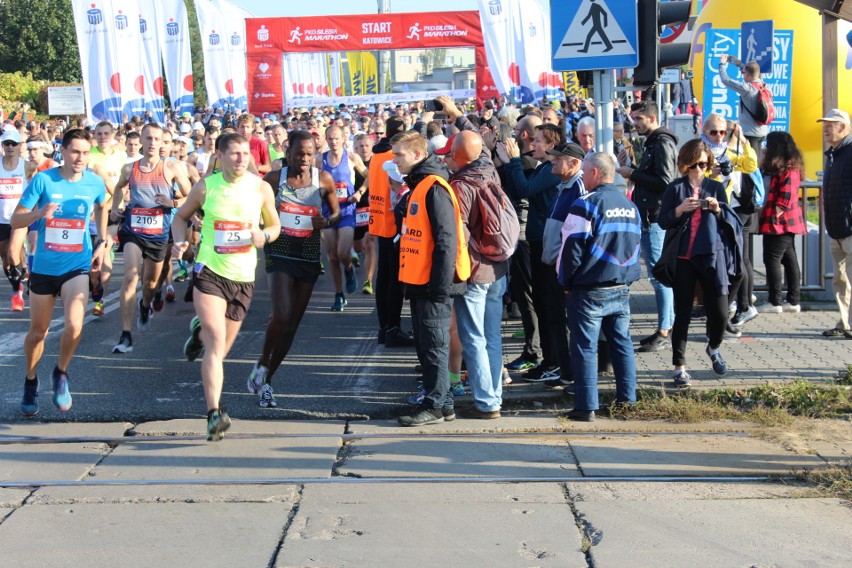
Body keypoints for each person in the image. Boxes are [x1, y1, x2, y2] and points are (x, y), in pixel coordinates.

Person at [172, 132, 280, 440]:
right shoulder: (207, 187)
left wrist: (266, 236)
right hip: (210, 272)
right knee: (216, 345)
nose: (241, 158)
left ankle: (198, 330)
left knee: (220, 350)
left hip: (243, 277)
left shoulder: (260, 188)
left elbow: (274, 224)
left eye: (245, 153)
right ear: (219, 155)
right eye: (234, 153)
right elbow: (181, 218)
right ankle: (213, 414)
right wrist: (180, 242)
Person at [10, 128, 109, 416]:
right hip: (43, 267)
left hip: (76, 266)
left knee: (75, 325)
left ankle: (61, 373)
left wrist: (101, 241)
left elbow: (104, 206)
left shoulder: (94, 183)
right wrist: (39, 215)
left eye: (85, 152)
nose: (80, 158)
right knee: (38, 332)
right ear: (62, 151)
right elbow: (17, 219)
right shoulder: (43, 180)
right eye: (75, 151)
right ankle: (30, 381)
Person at [245, 130, 339, 408]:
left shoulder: (323, 179)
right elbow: (256, 209)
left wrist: (328, 221)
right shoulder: (274, 179)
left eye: (310, 154)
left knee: (292, 325)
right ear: (288, 152)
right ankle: (263, 360)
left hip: (308, 254)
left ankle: (267, 380)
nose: (305, 159)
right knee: (282, 314)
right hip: (280, 251)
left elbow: (335, 212)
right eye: (300, 153)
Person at [394, 130, 470, 427]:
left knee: (433, 346)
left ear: (416, 155)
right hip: (422, 281)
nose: (395, 160)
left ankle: (435, 405)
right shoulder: (421, 184)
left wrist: (438, 287)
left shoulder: (433, 187)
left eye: (399, 155)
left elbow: (446, 240)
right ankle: (444, 402)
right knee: (429, 345)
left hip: (432, 284)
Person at [559, 153, 639, 421]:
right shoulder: (630, 206)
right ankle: (628, 401)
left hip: (589, 289)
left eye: (585, 171)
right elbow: (634, 246)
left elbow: (571, 250)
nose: (582, 175)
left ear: (594, 172)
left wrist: (566, 282)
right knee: (622, 344)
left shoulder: (585, 204)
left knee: (584, 347)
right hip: (621, 286)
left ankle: (586, 407)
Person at [658, 139, 743, 387]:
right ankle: (679, 366)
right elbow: (662, 221)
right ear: (685, 164)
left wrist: (717, 210)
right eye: (695, 164)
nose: (699, 169)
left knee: (719, 312)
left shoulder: (715, 188)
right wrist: (679, 210)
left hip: (711, 256)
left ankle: (713, 347)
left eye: (704, 164)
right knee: (682, 313)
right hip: (683, 257)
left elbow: (730, 220)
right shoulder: (675, 188)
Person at [441, 115, 509, 419]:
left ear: (456, 158)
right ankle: (494, 395)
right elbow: (478, 146)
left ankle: (486, 402)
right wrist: (458, 115)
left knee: (474, 338)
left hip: (477, 270)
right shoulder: (489, 169)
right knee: (492, 336)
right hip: (500, 267)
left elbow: (459, 234)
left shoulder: (461, 186)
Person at [109, 124, 191, 354]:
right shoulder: (129, 168)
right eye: (149, 138)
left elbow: (191, 196)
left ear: (164, 142)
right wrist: (115, 209)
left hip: (158, 235)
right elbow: (118, 188)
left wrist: (173, 203)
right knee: (129, 276)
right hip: (133, 231)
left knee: (150, 284)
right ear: (141, 141)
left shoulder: (172, 167)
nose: (153, 143)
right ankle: (125, 335)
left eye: (157, 139)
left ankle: (145, 305)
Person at [616, 101, 678, 353]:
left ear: (652, 118)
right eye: (634, 118)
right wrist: (633, 168)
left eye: (639, 118)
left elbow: (665, 181)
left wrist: (633, 173)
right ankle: (666, 326)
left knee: (659, 275)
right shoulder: (654, 142)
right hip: (649, 215)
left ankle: (665, 329)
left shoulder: (662, 142)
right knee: (657, 274)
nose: (635, 123)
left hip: (655, 216)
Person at [700, 115, 760, 329]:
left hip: (730, 212)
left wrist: (744, 142)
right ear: (704, 130)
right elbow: (693, 178)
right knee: (715, 260)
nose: (718, 136)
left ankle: (733, 306)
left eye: (722, 132)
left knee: (736, 259)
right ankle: (719, 307)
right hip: (709, 212)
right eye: (713, 132)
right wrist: (711, 173)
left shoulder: (729, 153)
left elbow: (751, 165)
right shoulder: (701, 151)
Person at [495, 113, 542, 373]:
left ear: (522, 135)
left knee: (527, 295)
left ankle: (532, 351)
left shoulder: (525, 163)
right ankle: (533, 348)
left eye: (515, 132)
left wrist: (506, 162)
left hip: (522, 237)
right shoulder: (523, 162)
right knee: (525, 294)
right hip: (521, 235)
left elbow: (515, 188)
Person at [540, 142, 586, 390]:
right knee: (555, 320)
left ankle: (572, 373)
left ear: (574, 163)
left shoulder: (578, 187)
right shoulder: (563, 186)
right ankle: (565, 370)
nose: (552, 161)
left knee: (566, 322)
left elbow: (577, 235)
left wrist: (568, 272)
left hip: (564, 269)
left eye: (558, 158)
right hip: (554, 265)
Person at [368, 116, 414, 345]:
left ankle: (384, 327)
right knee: (394, 280)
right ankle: (392, 328)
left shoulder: (376, 156)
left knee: (383, 278)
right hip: (394, 222)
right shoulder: (394, 158)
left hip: (379, 220)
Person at [318, 125, 369, 312]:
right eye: (330, 138)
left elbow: (369, 176)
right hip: (328, 212)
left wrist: (360, 192)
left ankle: (349, 269)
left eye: (336, 138)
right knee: (331, 256)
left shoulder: (351, 157)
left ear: (343, 139)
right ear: (326, 139)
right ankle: (339, 295)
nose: (333, 142)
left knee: (342, 253)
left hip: (347, 210)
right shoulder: (320, 160)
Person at [756, 131, 807, 314]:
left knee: (772, 259)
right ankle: (793, 300)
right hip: (783, 221)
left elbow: (785, 197)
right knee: (788, 259)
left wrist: (775, 216)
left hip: (780, 222)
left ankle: (775, 301)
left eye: (767, 145)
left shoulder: (789, 168)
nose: (765, 148)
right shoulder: (784, 166)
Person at [819, 109, 852, 337]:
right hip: (836, 227)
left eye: (831, 124)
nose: (825, 128)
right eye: (825, 124)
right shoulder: (832, 154)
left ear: (844, 127)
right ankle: (845, 323)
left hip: (850, 227)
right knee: (840, 280)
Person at [1, 128, 36, 311]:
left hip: (20, 218)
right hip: (1, 219)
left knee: (14, 252)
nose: (10, 147)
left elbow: (35, 184)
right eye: (6, 143)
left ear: (19, 146)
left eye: (14, 144)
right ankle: (23, 277)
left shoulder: (27, 166)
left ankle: (17, 293)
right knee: (7, 260)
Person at [718, 55, 769, 159]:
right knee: (756, 164)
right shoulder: (762, 84)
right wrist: (738, 64)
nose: (743, 75)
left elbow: (726, 80)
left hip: (750, 132)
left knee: (750, 166)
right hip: (762, 131)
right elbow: (753, 71)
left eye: (743, 73)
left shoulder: (747, 88)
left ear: (748, 75)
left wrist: (722, 64)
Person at [351, 133, 377, 294]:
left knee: (370, 243)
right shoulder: (351, 162)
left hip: (371, 205)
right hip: (354, 207)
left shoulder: (377, 161)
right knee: (358, 245)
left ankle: (368, 281)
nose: (364, 149)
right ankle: (356, 253)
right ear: (355, 148)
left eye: (367, 145)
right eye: (360, 146)